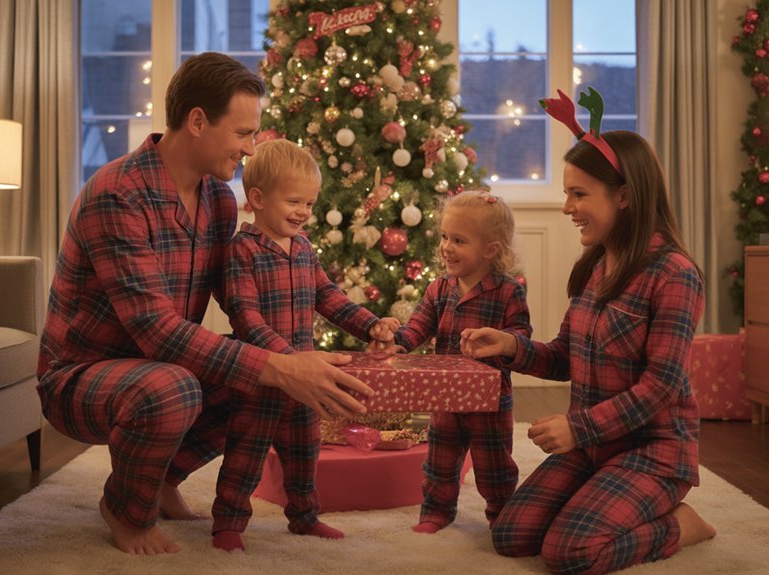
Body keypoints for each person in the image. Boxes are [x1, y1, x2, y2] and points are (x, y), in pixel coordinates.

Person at [36, 52, 376, 556]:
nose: (250, 147)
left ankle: (160, 480)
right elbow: (157, 329)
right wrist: (281, 367)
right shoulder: (118, 194)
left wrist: (300, 346)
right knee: (181, 385)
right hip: (82, 375)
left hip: (162, 365)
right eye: (243, 133)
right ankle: (126, 508)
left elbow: (237, 289)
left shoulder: (217, 198)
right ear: (197, 121)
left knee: (247, 369)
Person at [460, 89, 716, 574]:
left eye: (579, 194)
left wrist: (577, 427)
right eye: (567, 194)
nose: (567, 208)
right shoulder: (595, 267)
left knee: (571, 552)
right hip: (593, 447)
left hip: (652, 451)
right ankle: (606, 496)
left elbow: (661, 387)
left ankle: (680, 525)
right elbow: (565, 356)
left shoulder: (675, 274)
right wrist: (511, 345)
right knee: (511, 536)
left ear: (624, 195)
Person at [211, 139, 401, 551]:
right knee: (245, 454)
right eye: (294, 201)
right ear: (257, 199)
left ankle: (305, 516)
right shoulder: (242, 250)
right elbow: (246, 317)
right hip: (261, 378)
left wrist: (371, 326)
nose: (303, 212)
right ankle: (228, 522)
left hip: (305, 383)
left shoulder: (302, 248)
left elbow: (329, 297)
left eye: (310, 204)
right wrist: (289, 360)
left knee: (304, 452)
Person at [388, 190, 532, 534]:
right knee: (440, 459)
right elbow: (418, 326)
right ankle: (436, 511)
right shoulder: (440, 288)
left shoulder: (508, 291)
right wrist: (398, 343)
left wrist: (502, 341)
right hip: (446, 397)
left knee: (494, 464)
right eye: (444, 236)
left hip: (490, 401)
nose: (446, 247)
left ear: (490, 250)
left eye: (459, 240)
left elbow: (521, 335)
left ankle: (501, 514)